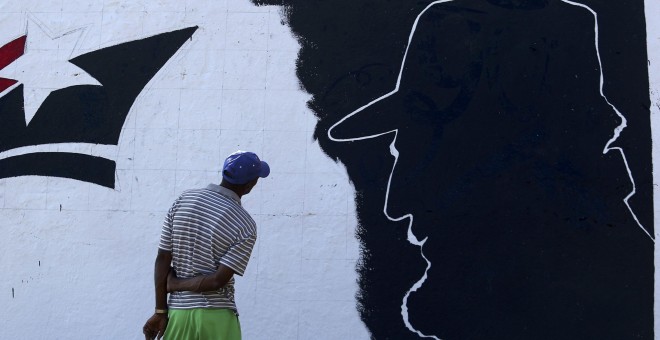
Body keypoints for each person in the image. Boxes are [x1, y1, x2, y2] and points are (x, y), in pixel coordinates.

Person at [142, 150, 270, 340]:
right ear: (250, 184)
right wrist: (174, 285)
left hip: (178, 314)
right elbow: (218, 280)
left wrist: (161, 310)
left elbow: (162, 258)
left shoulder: (183, 200)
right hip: (217, 317)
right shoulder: (245, 224)